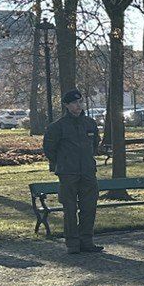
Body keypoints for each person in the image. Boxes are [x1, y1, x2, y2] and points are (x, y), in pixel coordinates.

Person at [42, 89, 101, 254]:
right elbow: (49, 149)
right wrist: (63, 162)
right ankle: (72, 243)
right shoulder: (57, 127)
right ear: (67, 105)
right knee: (70, 209)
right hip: (68, 173)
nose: (78, 105)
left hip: (88, 171)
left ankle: (87, 241)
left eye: (80, 102)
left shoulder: (90, 124)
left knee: (89, 208)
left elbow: (94, 144)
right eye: (74, 103)